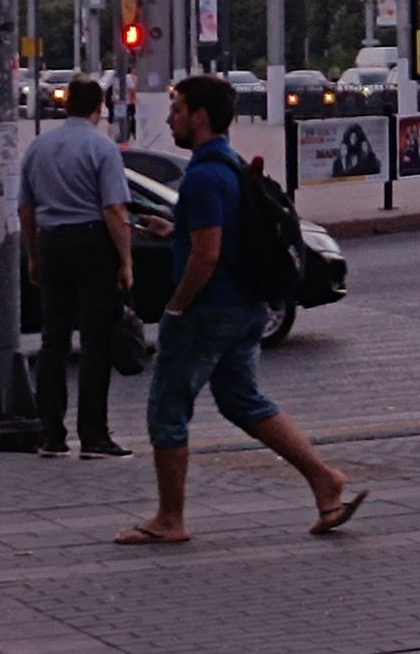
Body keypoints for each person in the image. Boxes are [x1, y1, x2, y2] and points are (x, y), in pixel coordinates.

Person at [118, 74, 361, 545]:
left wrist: (176, 308)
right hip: (245, 306)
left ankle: (170, 519)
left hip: (209, 310)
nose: (171, 119)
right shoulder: (230, 164)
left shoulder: (203, 177)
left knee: (167, 408)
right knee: (243, 401)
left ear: (201, 117)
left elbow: (208, 255)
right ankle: (324, 481)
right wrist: (174, 232)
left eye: (178, 110)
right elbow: (221, 236)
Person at [18, 76, 135, 460]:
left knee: (53, 340)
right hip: (92, 244)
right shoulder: (101, 147)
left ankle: (51, 433)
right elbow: (114, 209)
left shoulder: (38, 148)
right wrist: (125, 260)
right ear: (98, 108)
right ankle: (93, 436)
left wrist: (34, 255)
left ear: (66, 104)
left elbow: (26, 208)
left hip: (51, 244)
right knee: (95, 341)